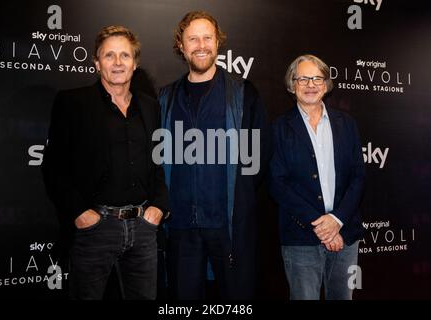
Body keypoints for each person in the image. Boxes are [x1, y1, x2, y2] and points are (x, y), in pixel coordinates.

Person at [42, 25, 169, 300]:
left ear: (135, 64)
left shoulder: (150, 106)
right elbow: (54, 168)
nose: (118, 62)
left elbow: (157, 162)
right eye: (109, 55)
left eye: (125, 55)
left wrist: (158, 206)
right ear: (97, 63)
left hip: (143, 229)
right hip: (96, 228)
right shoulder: (73, 103)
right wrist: (80, 213)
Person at [157, 11, 270, 299]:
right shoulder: (165, 98)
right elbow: (155, 159)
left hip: (228, 226)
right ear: (181, 46)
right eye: (192, 38)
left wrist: (236, 200)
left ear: (218, 43)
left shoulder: (243, 94)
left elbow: (257, 158)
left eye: (207, 37)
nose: (201, 44)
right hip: (180, 226)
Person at [270, 54, 365, 300]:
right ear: (292, 85)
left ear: (325, 84)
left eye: (317, 78)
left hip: (345, 235)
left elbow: (358, 177)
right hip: (301, 238)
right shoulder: (279, 128)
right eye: (303, 79)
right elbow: (277, 183)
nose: (310, 85)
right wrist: (321, 226)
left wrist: (337, 220)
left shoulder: (347, 124)